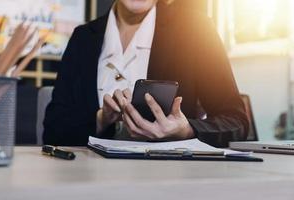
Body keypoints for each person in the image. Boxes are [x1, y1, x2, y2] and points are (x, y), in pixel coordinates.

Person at [43, 0, 249, 147]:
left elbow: (236, 122)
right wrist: (101, 119)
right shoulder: (83, 38)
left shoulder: (195, 29)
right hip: (87, 181)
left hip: (166, 183)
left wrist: (187, 130)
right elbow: (53, 131)